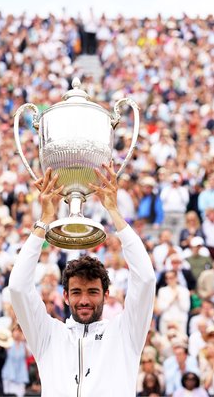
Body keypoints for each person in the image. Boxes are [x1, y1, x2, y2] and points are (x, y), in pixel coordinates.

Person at [9, 164, 156, 397]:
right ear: (65, 296)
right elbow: (17, 287)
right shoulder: (48, 335)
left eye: (93, 292)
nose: (84, 300)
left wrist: (114, 212)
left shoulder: (126, 333)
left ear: (106, 295)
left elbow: (146, 279)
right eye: (76, 292)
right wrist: (45, 220)